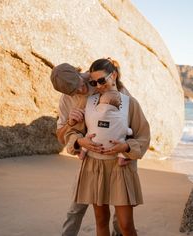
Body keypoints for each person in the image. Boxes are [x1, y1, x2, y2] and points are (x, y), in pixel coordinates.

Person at [65, 58, 150, 236]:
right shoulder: (87, 102)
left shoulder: (130, 103)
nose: (98, 85)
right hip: (94, 166)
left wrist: (126, 146)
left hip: (120, 169)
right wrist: (80, 141)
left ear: (114, 76)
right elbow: (73, 132)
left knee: (126, 225)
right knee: (101, 220)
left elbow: (143, 135)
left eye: (101, 80)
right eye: (93, 82)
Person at [50, 62, 130, 236]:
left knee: (120, 210)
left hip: (117, 155)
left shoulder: (99, 81)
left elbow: (128, 119)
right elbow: (60, 135)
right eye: (73, 91)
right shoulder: (66, 99)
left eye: (79, 84)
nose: (80, 90)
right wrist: (72, 125)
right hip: (89, 157)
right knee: (77, 207)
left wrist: (127, 150)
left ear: (80, 74)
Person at [78, 90, 133, 166]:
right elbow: (125, 129)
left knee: (88, 137)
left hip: (94, 144)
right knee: (122, 142)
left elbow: (88, 122)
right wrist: (129, 131)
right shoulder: (121, 117)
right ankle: (121, 160)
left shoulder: (92, 113)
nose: (99, 86)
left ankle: (82, 153)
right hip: (113, 146)